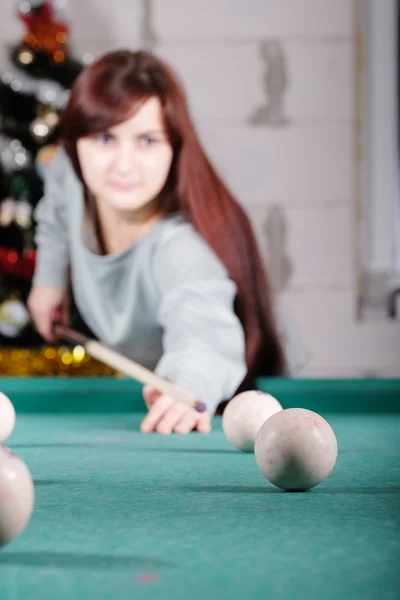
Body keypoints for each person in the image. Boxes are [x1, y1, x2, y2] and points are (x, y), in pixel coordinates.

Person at [28, 50, 309, 435]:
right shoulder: (70, 174)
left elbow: (204, 331)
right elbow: (56, 213)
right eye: (105, 138)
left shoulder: (181, 248)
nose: (123, 165)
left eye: (147, 140)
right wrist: (49, 280)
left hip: (235, 387)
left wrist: (189, 383)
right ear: (77, 145)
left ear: (174, 148)